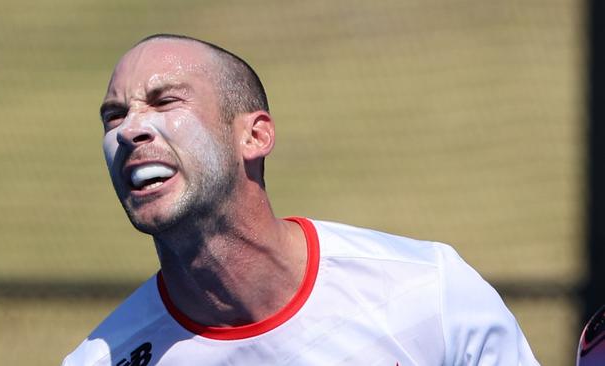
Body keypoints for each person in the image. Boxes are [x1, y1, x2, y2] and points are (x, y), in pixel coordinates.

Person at [63, 34, 540, 366]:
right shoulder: (100, 359)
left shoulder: (429, 293)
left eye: (165, 101)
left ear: (254, 136)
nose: (129, 130)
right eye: (113, 115)